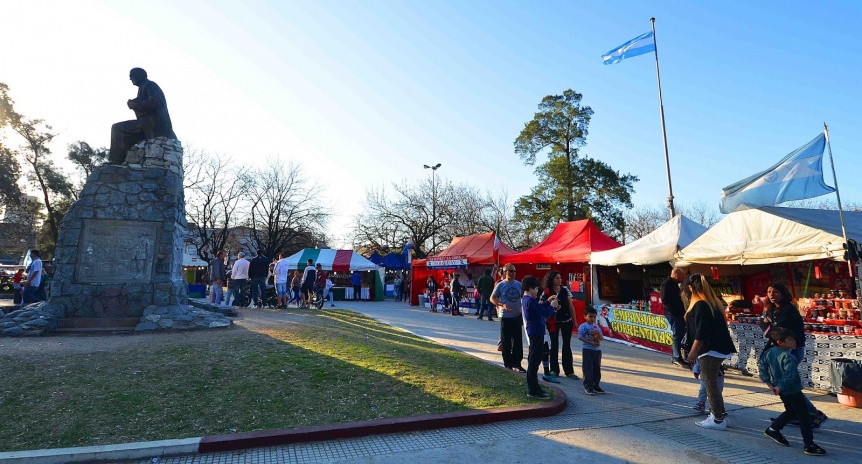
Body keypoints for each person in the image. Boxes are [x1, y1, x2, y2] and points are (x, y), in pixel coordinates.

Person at [761, 282, 828, 428]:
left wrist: (768, 325)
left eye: (775, 292)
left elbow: (775, 331)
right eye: (769, 292)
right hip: (780, 350)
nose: (772, 295)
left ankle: (812, 414)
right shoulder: (773, 309)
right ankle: (797, 413)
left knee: (789, 385)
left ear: (783, 294)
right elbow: (767, 328)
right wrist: (767, 324)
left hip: (792, 350)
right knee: (787, 385)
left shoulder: (788, 310)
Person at [759, 327, 827, 456]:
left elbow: (762, 366)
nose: (794, 342)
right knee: (804, 417)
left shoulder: (770, 352)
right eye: (790, 340)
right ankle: (809, 444)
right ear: (780, 342)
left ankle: (773, 429)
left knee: (791, 411)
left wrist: (769, 383)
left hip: (782, 390)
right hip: (792, 390)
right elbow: (789, 376)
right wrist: (780, 386)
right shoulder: (789, 357)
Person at [684, 273, 736, 430]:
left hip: (710, 349)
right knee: (711, 381)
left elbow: (701, 332)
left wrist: (692, 353)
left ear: (691, 288)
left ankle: (717, 418)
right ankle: (720, 413)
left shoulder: (701, 304)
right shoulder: (713, 303)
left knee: (709, 383)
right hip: (716, 348)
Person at [109, 68, 177, 164]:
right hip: (147, 123)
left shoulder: (150, 85)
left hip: (155, 124)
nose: (130, 79)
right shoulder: (142, 88)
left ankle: (116, 161)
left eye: (132, 76)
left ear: (140, 75)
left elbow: (156, 102)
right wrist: (134, 103)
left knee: (117, 128)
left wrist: (136, 105)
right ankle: (124, 160)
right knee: (124, 133)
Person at [521, 275, 558, 400]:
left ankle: (535, 387)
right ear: (530, 288)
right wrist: (552, 306)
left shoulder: (529, 300)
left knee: (535, 360)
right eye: (536, 289)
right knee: (534, 362)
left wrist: (548, 302)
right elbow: (544, 312)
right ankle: (532, 389)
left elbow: (540, 308)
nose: (537, 292)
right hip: (535, 332)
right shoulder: (529, 301)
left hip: (536, 332)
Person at [541, 270, 579, 380]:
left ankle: (569, 371)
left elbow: (571, 307)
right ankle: (554, 370)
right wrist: (551, 307)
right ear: (551, 279)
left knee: (567, 345)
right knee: (554, 345)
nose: (559, 280)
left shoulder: (565, 290)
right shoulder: (547, 292)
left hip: (566, 320)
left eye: (560, 278)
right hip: (553, 322)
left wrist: (575, 322)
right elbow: (542, 306)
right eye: (557, 278)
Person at [491, 264, 525, 373]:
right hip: (505, 316)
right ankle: (508, 364)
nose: (513, 273)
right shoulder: (501, 285)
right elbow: (492, 298)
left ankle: (517, 363)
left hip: (517, 316)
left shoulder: (519, 284)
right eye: (511, 271)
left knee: (518, 342)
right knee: (506, 342)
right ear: (505, 272)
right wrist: (500, 304)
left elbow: (524, 297)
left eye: (514, 271)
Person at [661, 267, 689, 367]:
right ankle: (676, 357)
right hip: (673, 314)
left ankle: (677, 356)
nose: (683, 278)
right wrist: (674, 310)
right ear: (677, 275)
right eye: (682, 276)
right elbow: (665, 300)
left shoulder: (674, 284)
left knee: (680, 334)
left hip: (677, 313)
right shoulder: (667, 284)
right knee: (677, 334)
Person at [578, 306, 605, 395]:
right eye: (590, 316)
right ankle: (588, 386)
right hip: (587, 349)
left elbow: (601, 338)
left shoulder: (596, 327)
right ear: (585, 316)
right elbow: (580, 337)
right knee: (588, 368)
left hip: (597, 350)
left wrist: (598, 336)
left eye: (594, 317)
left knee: (597, 368)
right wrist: (590, 342)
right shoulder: (583, 326)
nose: (592, 319)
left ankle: (596, 385)